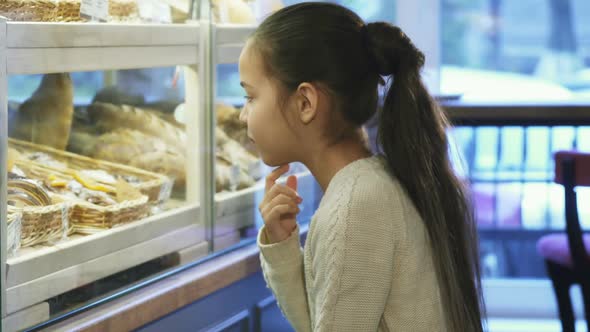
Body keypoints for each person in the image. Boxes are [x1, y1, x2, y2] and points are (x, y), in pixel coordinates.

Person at [238, 2, 485, 331]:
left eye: (250, 97)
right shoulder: (366, 185)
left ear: (306, 103)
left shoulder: (358, 203)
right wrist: (282, 247)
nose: (243, 116)